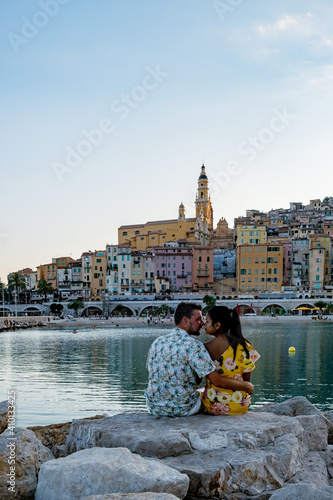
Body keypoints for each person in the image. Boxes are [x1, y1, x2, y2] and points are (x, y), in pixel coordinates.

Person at [145, 302, 254, 417]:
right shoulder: (195, 346)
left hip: (154, 407)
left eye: (203, 320)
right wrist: (247, 386)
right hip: (183, 408)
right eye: (198, 319)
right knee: (205, 393)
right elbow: (215, 380)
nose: (202, 323)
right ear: (185, 321)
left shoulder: (157, 342)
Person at [201, 306, 260, 415]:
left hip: (213, 406)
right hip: (240, 405)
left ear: (217, 325)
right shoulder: (246, 346)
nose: (204, 324)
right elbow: (246, 380)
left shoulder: (204, 348)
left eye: (207, 321)